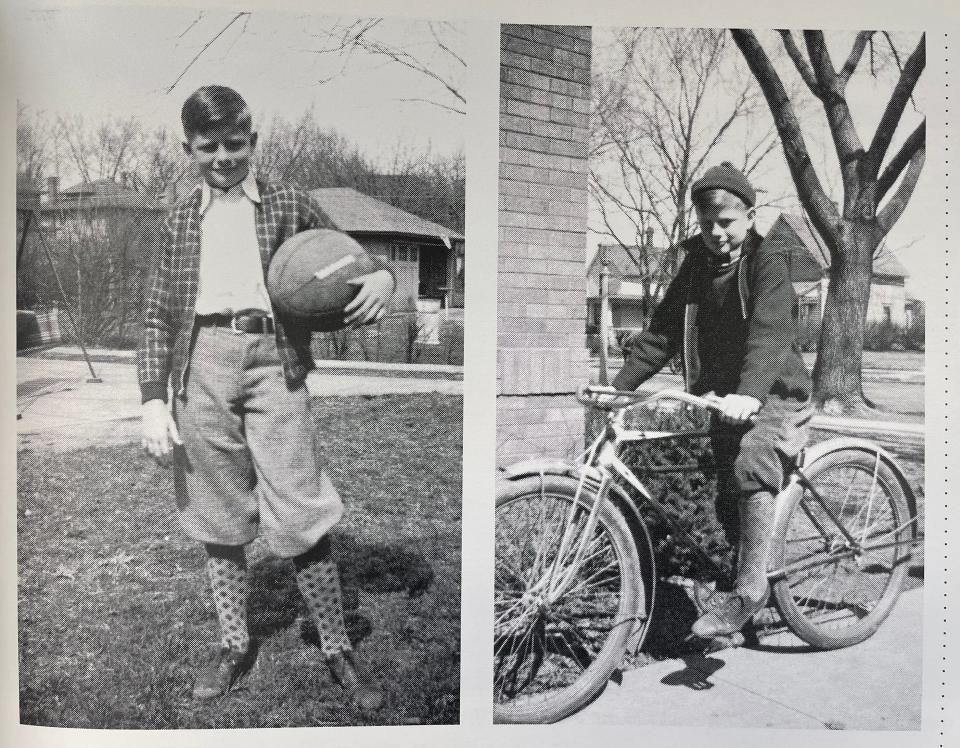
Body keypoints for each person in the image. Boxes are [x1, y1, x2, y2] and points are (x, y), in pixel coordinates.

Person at [138, 85, 395, 709]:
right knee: (217, 508)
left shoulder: (287, 203)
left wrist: (384, 276)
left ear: (253, 142)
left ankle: (337, 648)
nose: (223, 157)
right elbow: (157, 311)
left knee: (299, 503)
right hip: (201, 364)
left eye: (235, 144)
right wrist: (150, 397)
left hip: (274, 360)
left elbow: (350, 260)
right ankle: (233, 643)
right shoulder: (178, 218)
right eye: (208, 147)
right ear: (188, 149)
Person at [611, 162, 812, 639]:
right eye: (707, 225)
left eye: (727, 223)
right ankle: (728, 570)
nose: (717, 234)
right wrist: (619, 388)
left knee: (750, 461)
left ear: (750, 216)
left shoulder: (769, 262)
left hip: (775, 394)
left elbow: (769, 336)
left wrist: (748, 395)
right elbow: (660, 333)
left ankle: (749, 590)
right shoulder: (696, 266)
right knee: (708, 477)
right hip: (723, 397)